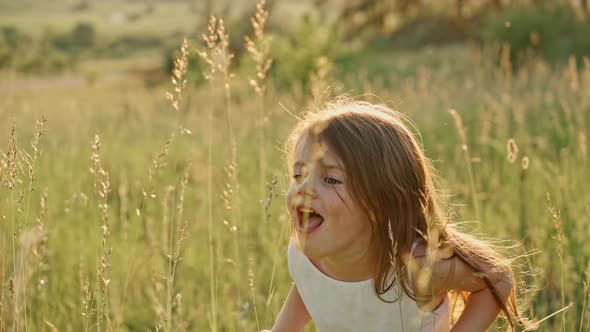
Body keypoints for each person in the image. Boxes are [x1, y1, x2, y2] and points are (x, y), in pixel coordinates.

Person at [267, 97, 536, 332]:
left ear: (380, 202)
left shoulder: (416, 269)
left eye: (331, 180)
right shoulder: (302, 255)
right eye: (299, 174)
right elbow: (311, 287)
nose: (303, 188)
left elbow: (497, 278)